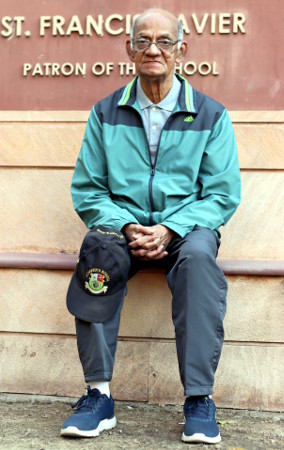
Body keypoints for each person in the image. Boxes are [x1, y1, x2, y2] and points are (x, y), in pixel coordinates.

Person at [60, 8, 241, 444]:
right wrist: (124, 226)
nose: (153, 49)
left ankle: (199, 400)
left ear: (182, 49)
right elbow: (88, 190)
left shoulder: (211, 115)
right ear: (129, 49)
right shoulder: (105, 113)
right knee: (96, 252)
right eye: (143, 41)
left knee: (199, 261)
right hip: (122, 227)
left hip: (186, 230)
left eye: (164, 41)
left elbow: (221, 194)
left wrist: (171, 229)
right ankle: (98, 396)